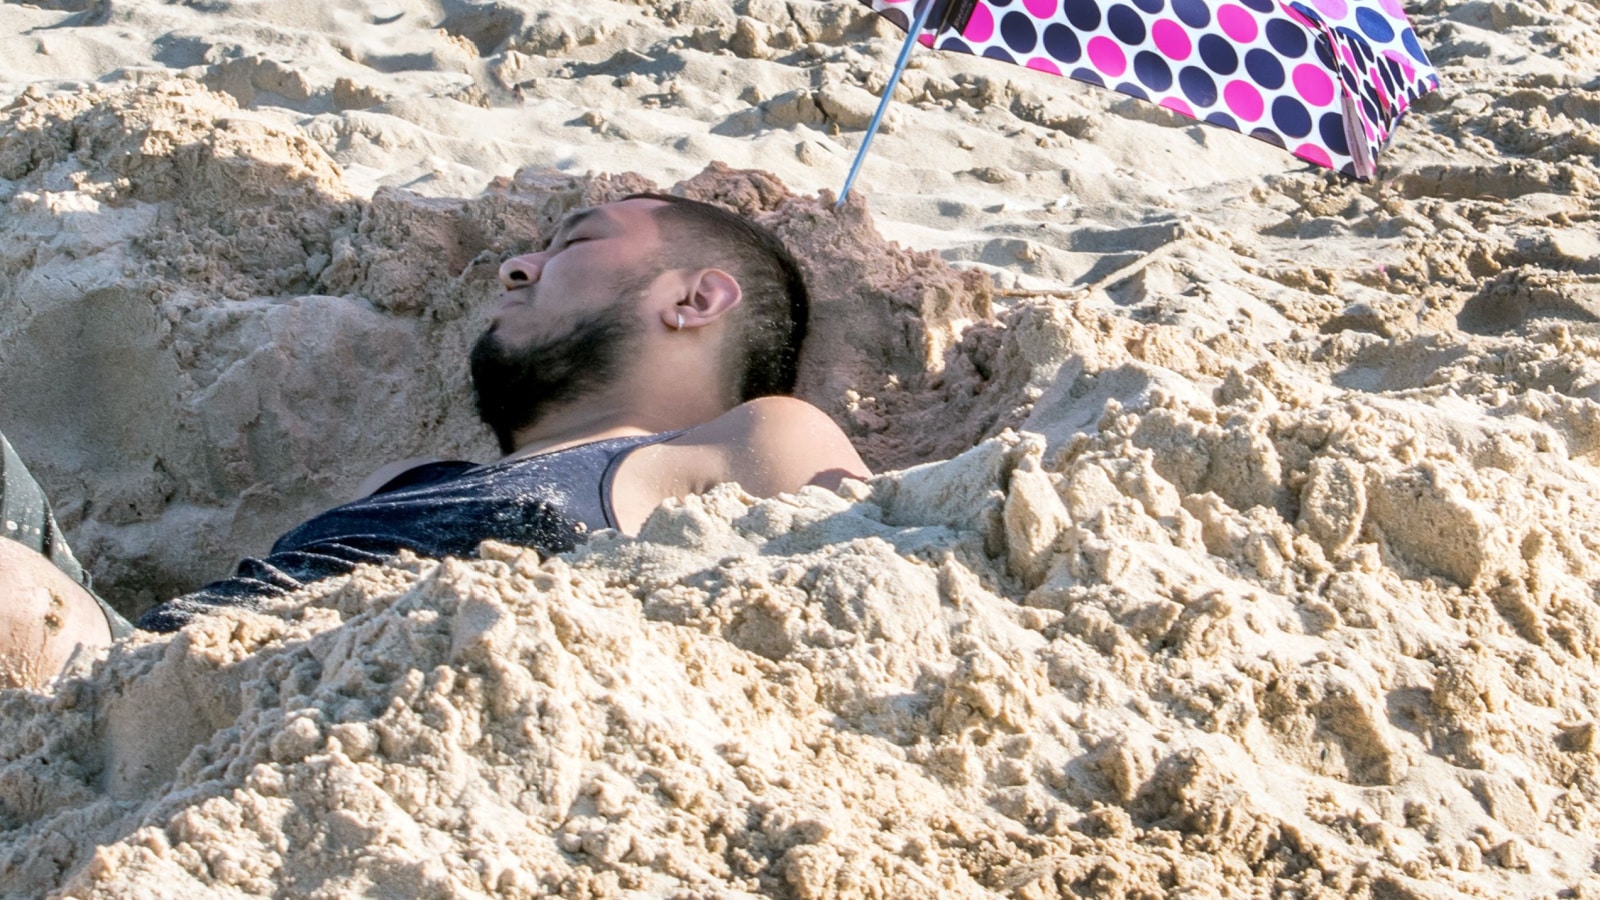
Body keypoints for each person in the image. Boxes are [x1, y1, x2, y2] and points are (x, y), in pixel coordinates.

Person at [0, 194, 870, 689]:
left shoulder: (759, 439)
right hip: (128, 679)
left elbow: (872, 608)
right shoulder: (416, 477)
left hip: (206, 711)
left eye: (576, 241)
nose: (517, 267)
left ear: (696, 301)